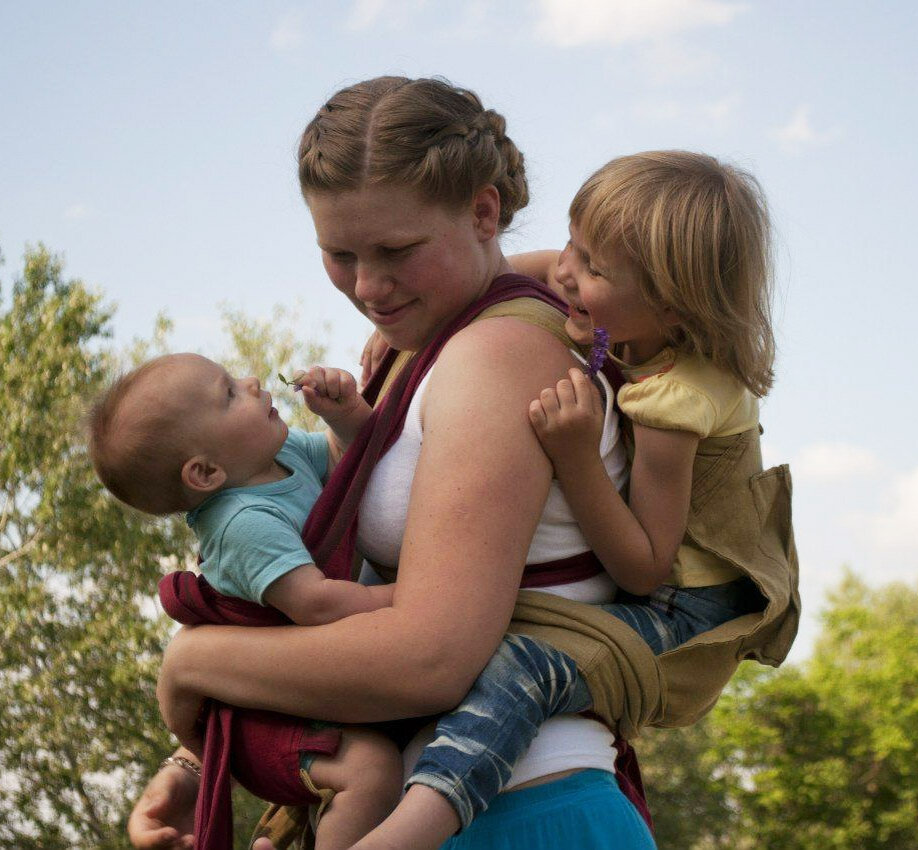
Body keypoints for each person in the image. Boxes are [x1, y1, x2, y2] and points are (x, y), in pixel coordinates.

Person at [127, 75, 658, 850]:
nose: (368, 286)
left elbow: (431, 658)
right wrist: (192, 760)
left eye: (396, 251)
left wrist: (195, 659)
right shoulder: (422, 352)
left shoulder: (497, 355)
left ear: (483, 209)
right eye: (338, 254)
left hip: (525, 810)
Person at [352, 151, 777, 846]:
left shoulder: (675, 401)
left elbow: (643, 565)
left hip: (689, 606)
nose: (565, 272)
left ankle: (408, 831)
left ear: (671, 302)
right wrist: (406, 323)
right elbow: (523, 269)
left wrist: (576, 456)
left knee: (523, 667)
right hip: (656, 577)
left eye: (593, 268)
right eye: (575, 242)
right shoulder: (623, 307)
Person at [87, 353, 404, 849]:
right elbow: (315, 604)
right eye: (229, 393)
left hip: (298, 687)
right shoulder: (243, 524)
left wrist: (342, 415)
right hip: (261, 721)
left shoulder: (283, 456)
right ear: (207, 472)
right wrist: (407, 595)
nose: (252, 381)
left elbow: (349, 462)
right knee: (371, 771)